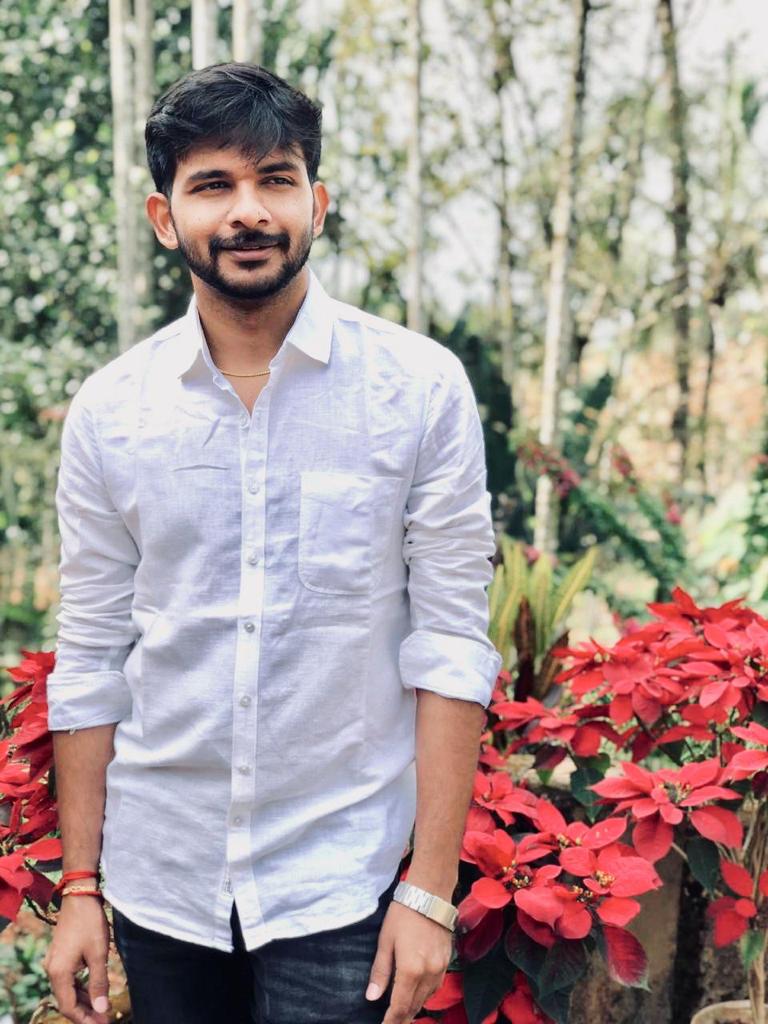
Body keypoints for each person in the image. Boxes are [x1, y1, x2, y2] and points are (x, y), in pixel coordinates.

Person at [41, 62, 502, 1024]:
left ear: (316, 204)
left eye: (275, 179)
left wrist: (429, 888)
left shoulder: (418, 390)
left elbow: (452, 646)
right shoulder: (111, 412)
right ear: (165, 217)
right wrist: (80, 885)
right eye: (213, 184)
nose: (248, 210)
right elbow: (90, 656)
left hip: (341, 877)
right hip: (163, 876)